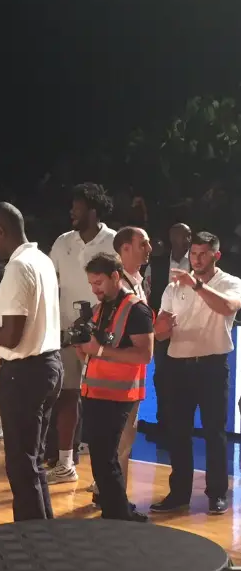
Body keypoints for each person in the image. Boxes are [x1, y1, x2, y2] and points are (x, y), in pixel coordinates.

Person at [0, 202, 62, 520]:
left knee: (22, 466)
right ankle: (44, 532)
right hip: (48, 364)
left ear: (1, 230)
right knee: (33, 462)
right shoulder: (42, 260)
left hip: (24, 374)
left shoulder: (17, 266)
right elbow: (25, 322)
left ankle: (30, 538)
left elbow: (11, 337)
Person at [151, 232, 241, 515]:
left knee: (214, 432)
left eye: (203, 254)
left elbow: (228, 307)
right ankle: (179, 494)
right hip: (177, 366)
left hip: (213, 365)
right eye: (193, 254)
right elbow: (160, 333)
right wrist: (161, 327)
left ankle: (217, 493)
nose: (197, 259)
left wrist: (197, 286)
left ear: (216, 255)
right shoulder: (173, 286)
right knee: (178, 432)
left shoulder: (231, 282)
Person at [76, 254, 153, 522]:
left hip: (119, 395)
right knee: (101, 458)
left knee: (107, 458)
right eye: (91, 284)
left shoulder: (137, 310)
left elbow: (145, 355)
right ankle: (118, 511)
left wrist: (98, 350)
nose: (94, 289)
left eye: (98, 283)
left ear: (115, 277)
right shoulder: (98, 310)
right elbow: (89, 356)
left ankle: (118, 514)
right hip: (94, 392)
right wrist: (82, 347)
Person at [46, 183, 115, 484]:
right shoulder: (63, 242)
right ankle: (65, 463)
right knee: (67, 397)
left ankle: (106, 474)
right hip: (66, 333)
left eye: (78, 207)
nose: (72, 212)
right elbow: (49, 283)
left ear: (93, 210)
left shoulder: (113, 241)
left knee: (104, 404)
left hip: (103, 334)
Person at [145, 222, 192, 443]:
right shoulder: (157, 263)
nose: (184, 239)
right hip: (162, 329)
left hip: (190, 330)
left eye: (187, 236)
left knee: (185, 380)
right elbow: (147, 294)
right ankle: (163, 425)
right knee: (162, 377)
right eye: (179, 235)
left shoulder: (197, 262)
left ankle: (182, 430)